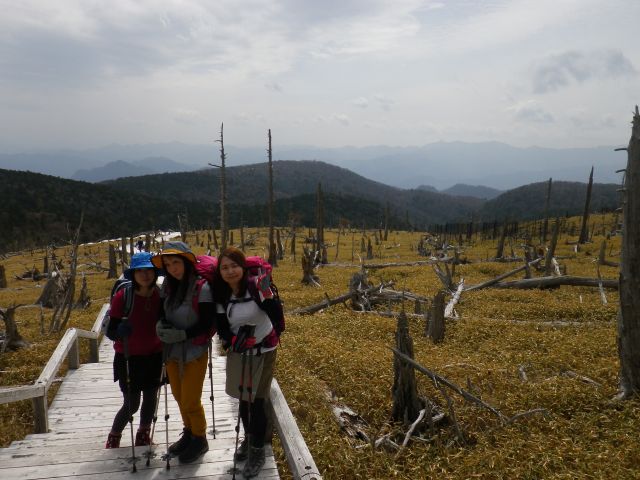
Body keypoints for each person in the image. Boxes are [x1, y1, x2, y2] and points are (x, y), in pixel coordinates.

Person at [212, 246, 282, 479]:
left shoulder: (255, 287)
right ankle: (250, 439)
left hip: (264, 350)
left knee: (257, 400)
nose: (230, 271)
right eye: (225, 267)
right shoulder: (221, 293)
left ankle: (257, 451)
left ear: (243, 267)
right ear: (219, 271)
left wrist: (268, 295)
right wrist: (233, 340)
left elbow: (278, 320)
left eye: (234, 266)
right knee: (244, 397)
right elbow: (221, 325)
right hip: (240, 351)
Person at [151, 241, 215, 464]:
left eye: (176, 262)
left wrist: (183, 335)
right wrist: (160, 325)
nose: (172, 268)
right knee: (179, 396)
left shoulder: (202, 288)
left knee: (190, 399)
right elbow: (161, 314)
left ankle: (200, 438)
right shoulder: (167, 288)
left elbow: (207, 323)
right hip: (171, 351)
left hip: (195, 351)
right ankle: (189, 433)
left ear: (187, 263)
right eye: (168, 264)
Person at [105, 252, 163, 449]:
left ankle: (143, 435)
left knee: (150, 397)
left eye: (149, 271)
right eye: (140, 271)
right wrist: (119, 333)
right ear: (133, 274)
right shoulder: (124, 297)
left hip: (154, 355)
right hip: (128, 356)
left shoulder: (160, 294)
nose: (145, 275)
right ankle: (114, 436)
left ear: (155, 273)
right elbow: (110, 330)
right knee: (132, 402)